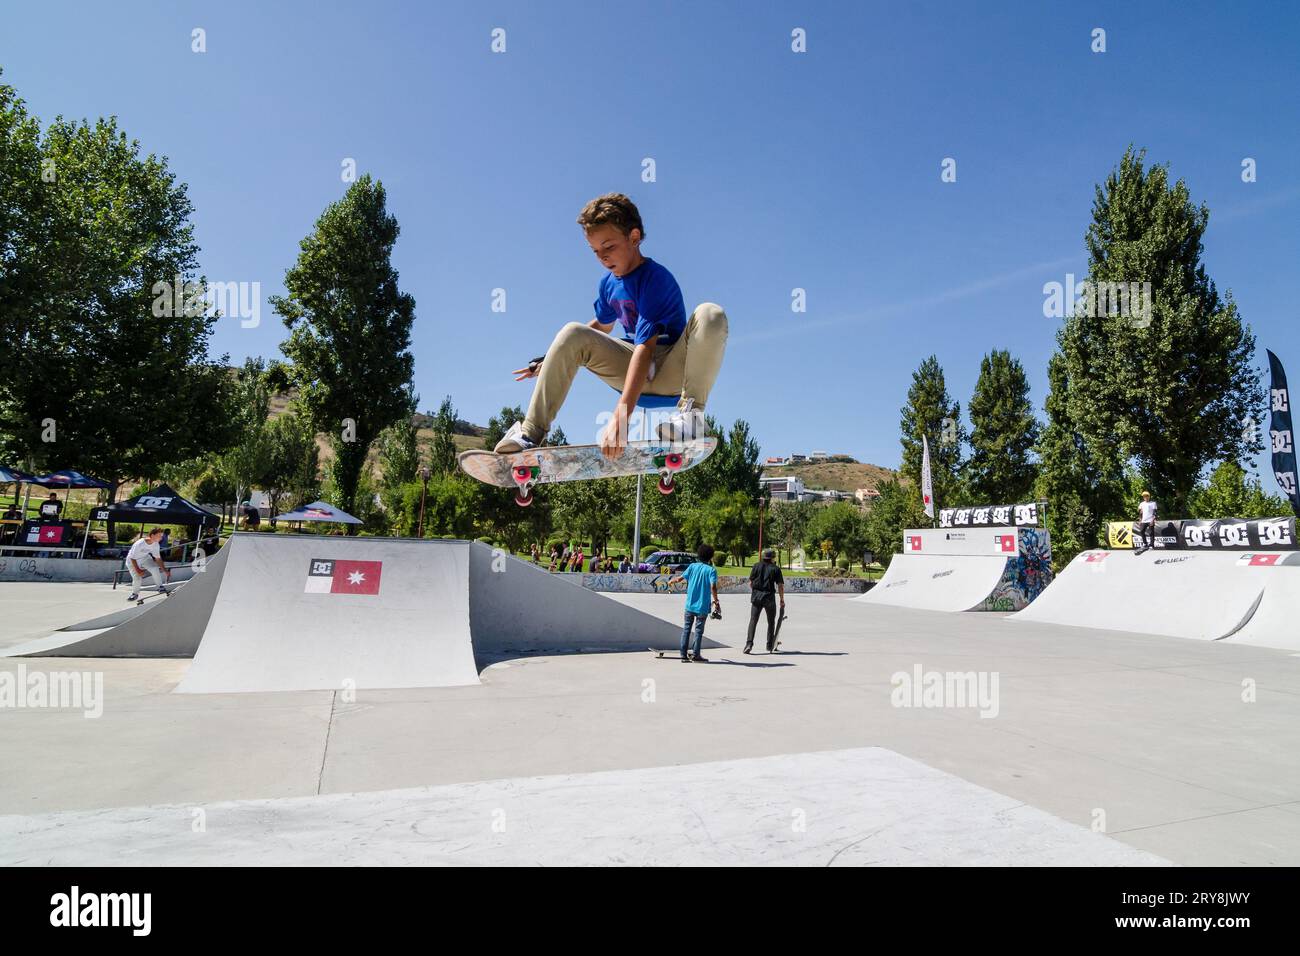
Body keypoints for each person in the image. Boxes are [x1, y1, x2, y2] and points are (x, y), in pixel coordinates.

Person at [494, 193, 729, 459]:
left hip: (672, 371)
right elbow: (599, 328)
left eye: (609, 247)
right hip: (632, 371)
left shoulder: (655, 279)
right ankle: (529, 435)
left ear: (634, 237)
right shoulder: (608, 284)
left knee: (711, 313)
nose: (603, 258)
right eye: (595, 251)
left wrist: (621, 417)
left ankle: (692, 416)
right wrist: (552, 359)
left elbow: (645, 349)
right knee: (572, 331)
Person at [668, 543, 720, 662]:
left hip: (690, 605)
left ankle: (683, 655)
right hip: (702, 607)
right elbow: (713, 586)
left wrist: (672, 581)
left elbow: (680, 578)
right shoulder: (711, 570)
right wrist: (716, 601)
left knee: (686, 629)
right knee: (698, 631)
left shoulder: (692, 566)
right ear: (710, 557)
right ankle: (696, 655)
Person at [746, 548, 786, 654]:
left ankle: (749, 644)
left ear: (764, 556)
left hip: (756, 597)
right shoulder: (776, 569)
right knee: (771, 622)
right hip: (769, 597)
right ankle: (769, 645)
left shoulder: (756, 566)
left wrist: (756, 590)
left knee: (753, 620)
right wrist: (782, 599)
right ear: (772, 557)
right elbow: (780, 586)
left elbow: (750, 583)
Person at [125, 527, 171, 602]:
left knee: (154, 568)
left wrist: (165, 570)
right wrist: (138, 570)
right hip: (132, 561)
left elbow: (158, 559)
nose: (161, 538)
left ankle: (160, 587)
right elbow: (132, 558)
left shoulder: (156, 545)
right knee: (137, 578)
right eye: (159, 536)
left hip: (145, 558)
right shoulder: (139, 544)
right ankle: (135, 594)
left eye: (161, 536)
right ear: (152, 536)